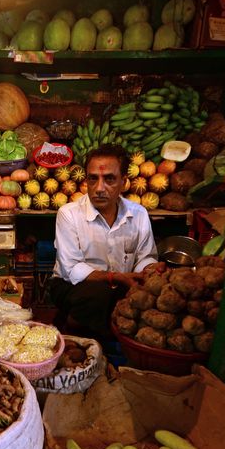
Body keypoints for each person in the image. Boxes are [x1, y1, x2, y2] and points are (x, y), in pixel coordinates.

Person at [49, 143, 159, 343]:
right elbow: (71, 269)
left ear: (123, 182)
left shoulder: (138, 214)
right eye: (93, 178)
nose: (99, 188)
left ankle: (105, 332)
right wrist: (116, 277)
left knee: (143, 296)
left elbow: (146, 256)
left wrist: (150, 269)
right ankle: (74, 326)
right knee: (98, 295)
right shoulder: (69, 214)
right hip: (75, 286)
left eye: (109, 179)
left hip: (122, 283)